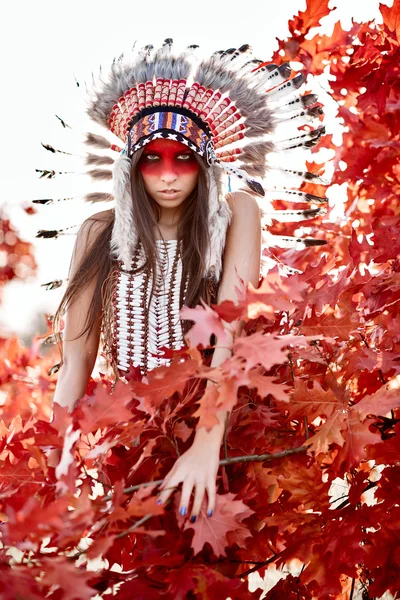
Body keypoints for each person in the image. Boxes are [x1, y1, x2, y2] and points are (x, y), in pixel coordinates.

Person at [47, 40, 326, 523]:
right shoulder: (100, 231)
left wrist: (204, 445)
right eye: (152, 160)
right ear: (131, 169)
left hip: (227, 422)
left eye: (184, 159)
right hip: (135, 436)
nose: (169, 176)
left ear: (207, 164)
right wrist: (57, 461)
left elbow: (229, 333)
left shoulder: (237, 212)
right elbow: (77, 362)